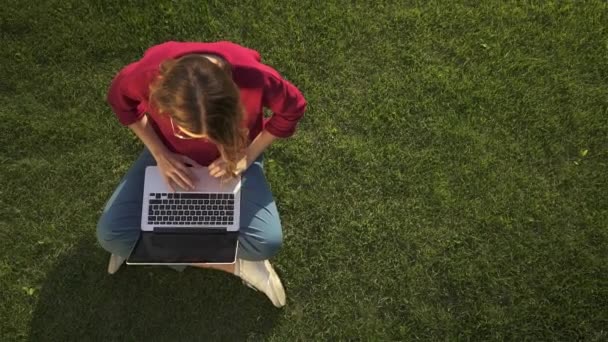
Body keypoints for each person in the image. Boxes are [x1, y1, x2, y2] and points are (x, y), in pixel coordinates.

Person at [96, 41, 307, 307]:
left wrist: (246, 156)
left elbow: (292, 109)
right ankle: (236, 266)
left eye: (215, 134)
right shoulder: (147, 75)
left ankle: (150, 249)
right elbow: (121, 102)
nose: (208, 141)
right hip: (170, 156)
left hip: (237, 157)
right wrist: (160, 153)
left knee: (266, 242)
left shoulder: (257, 78)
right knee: (111, 235)